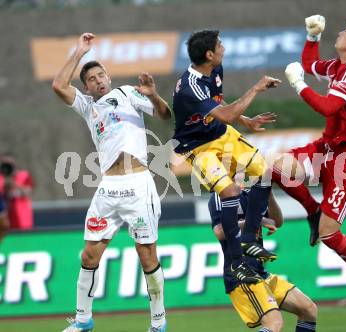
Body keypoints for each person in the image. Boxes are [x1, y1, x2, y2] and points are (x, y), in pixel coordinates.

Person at [52, 32, 171, 332]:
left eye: (101, 74)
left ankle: (158, 323)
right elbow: (58, 86)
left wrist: (154, 94)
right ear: (86, 86)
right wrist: (78, 51)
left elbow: (165, 115)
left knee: (147, 255)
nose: (99, 80)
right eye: (92, 78)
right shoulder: (87, 106)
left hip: (138, 184)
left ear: (109, 76)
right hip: (108, 189)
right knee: (89, 254)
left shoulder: (129, 93)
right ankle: (83, 321)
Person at [273, 15, 346, 313]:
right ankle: (312, 209)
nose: (341, 32)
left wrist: (297, 85)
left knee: (329, 234)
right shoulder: (338, 66)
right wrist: (312, 36)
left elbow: (328, 106)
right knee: (278, 168)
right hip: (327, 148)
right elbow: (310, 64)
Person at [172, 29, 281, 284]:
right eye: (220, 45)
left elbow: (221, 107)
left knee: (265, 172)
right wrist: (255, 88)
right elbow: (226, 114)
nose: (224, 48)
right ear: (209, 54)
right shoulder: (191, 87)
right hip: (198, 147)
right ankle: (236, 262)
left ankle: (249, 239)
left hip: (222, 135)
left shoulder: (214, 70)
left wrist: (246, 120)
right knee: (230, 192)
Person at [209, 189, 318, 332]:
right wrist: (256, 220)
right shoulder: (220, 196)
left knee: (308, 309)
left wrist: (270, 195)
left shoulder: (250, 195)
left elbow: (276, 222)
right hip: (241, 275)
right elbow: (220, 232)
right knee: (274, 324)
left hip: (261, 274)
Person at [0, 155, 34, 230]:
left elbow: (27, 192)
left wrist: (14, 182)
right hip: (5, 220)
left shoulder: (24, 175)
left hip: (23, 219)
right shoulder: (1, 178)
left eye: (9, 165)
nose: (7, 167)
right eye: (4, 164)